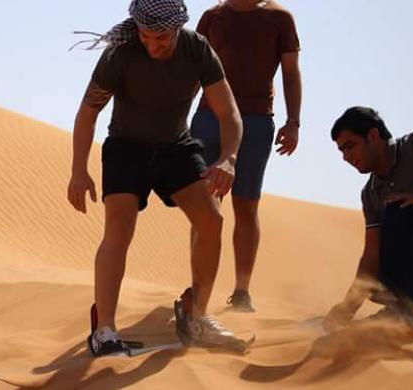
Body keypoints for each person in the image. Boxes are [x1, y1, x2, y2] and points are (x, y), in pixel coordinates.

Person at [68, 0, 248, 356]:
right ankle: (104, 330)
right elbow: (88, 111)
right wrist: (78, 169)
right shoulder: (120, 53)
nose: (154, 45)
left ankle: (196, 315)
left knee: (212, 220)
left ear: (178, 28)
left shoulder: (197, 49)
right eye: (146, 36)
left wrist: (228, 159)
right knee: (118, 229)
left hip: (175, 147)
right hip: (125, 148)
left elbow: (229, 112)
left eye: (162, 37)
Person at [191, 0, 302, 312]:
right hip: (208, 118)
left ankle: (241, 292)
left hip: (255, 121)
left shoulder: (279, 18)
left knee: (246, 205)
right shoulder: (213, 17)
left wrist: (292, 122)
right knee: (204, 204)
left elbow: (291, 73)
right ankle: (198, 290)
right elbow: (191, 71)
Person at [324, 107, 413, 330]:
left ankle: (403, 313)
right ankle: (401, 312)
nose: (346, 157)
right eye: (341, 151)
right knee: (379, 260)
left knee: (399, 211)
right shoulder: (371, 194)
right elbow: (371, 256)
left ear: (373, 136)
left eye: (350, 146)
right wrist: (347, 309)